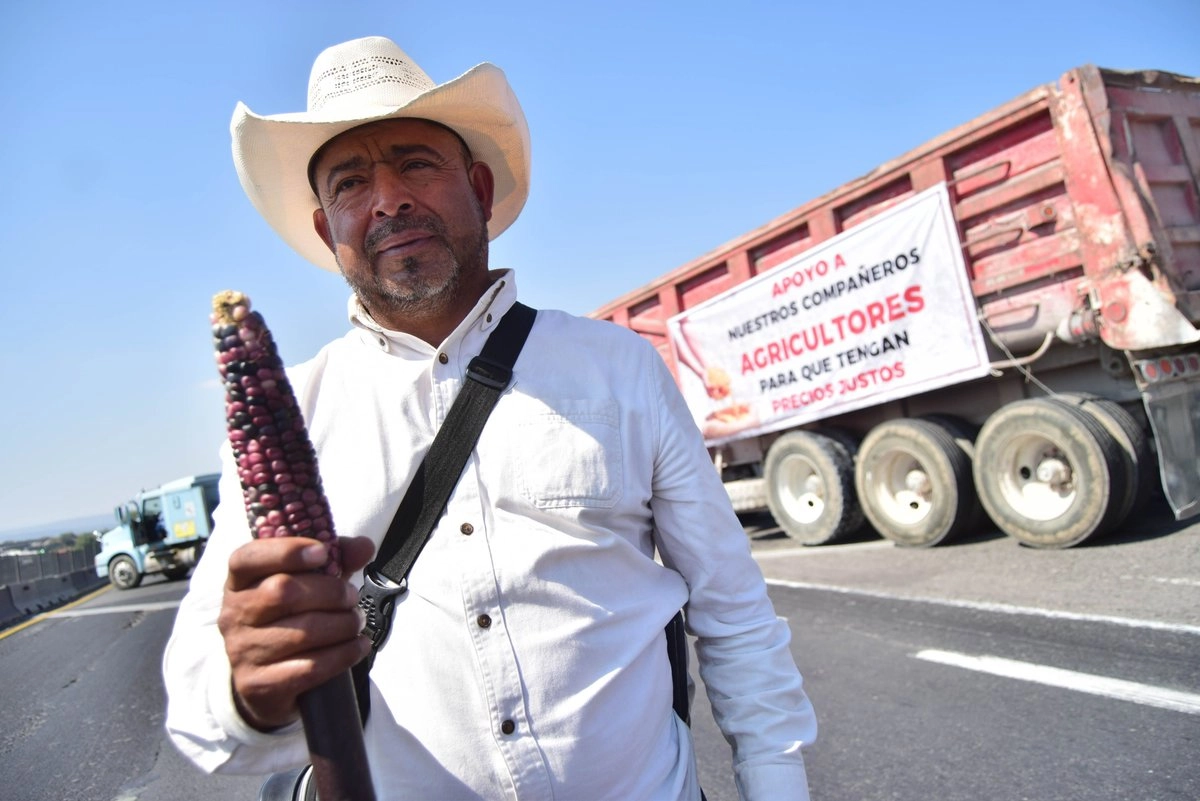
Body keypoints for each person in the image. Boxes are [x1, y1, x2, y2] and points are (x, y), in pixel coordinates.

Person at [163, 35, 817, 800]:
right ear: (325, 230)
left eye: (415, 163)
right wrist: (250, 689)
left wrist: (777, 785)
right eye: (350, 182)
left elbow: (733, 613)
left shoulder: (621, 369)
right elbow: (202, 708)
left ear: (478, 186)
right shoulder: (301, 409)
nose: (389, 199)